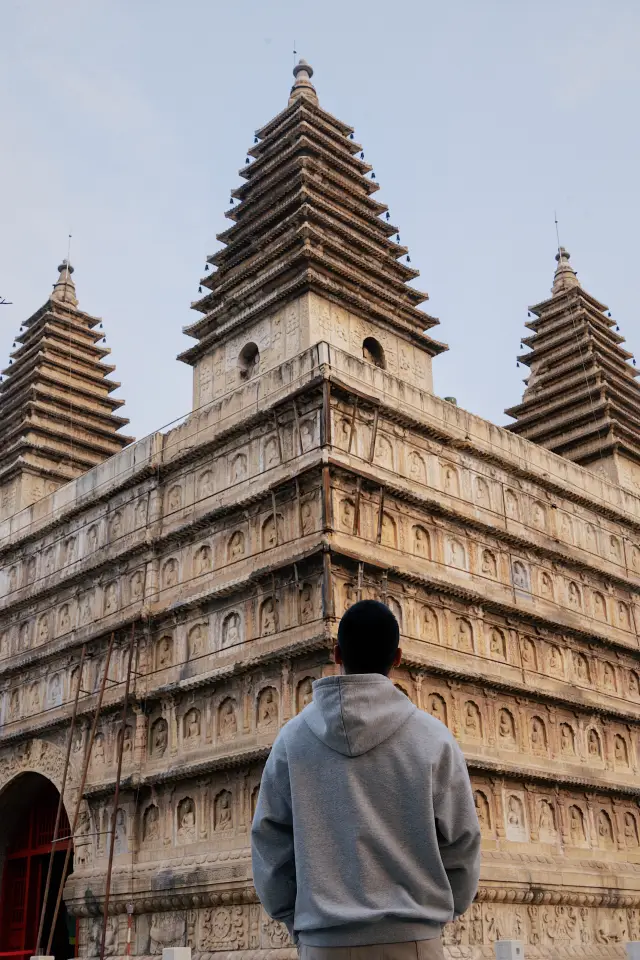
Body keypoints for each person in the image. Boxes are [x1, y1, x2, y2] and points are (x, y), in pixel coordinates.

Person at [251, 599, 481, 959]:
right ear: (398, 658)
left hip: (324, 943)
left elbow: (270, 841)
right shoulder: (433, 738)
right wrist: (436, 914)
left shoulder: (291, 741)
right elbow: (463, 840)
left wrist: (297, 921)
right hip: (415, 941)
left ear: (337, 652)